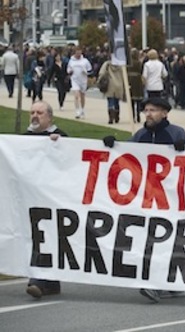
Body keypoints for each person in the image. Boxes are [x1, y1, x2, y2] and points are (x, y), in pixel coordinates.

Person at [103, 97, 185, 303]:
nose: (148, 114)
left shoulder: (176, 133)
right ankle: (162, 283)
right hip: (146, 197)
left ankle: (163, 283)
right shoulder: (141, 135)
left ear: (164, 113)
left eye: (153, 110)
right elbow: (125, 154)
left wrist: (184, 147)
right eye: (146, 110)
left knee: (166, 238)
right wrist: (111, 146)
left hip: (170, 197)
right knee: (152, 237)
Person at [24, 101, 67, 299]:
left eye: (39, 112)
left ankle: (39, 280)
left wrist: (60, 145)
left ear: (49, 117)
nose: (35, 115)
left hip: (52, 198)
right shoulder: (23, 139)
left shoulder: (61, 137)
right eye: (32, 112)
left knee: (44, 237)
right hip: (30, 198)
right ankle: (49, 282)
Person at [66, 47, 93, 119]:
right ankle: (77, 111)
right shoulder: (71, 61)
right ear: (75, 53)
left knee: (82, 95)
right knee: (76, 95)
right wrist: (70, 72)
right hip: (75, 80)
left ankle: (82, 109)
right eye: (77, 52)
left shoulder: (85, 61)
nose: (78, 54)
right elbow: (68, 69)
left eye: (80, 52)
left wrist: (86, 72)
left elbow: (90, 70)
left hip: (83, 80)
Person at [98, 58, 125, 124]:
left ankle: (110, 117)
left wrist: (99, 81)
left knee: (110, 101)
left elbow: (101, 73)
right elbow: (124, 75)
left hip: (110, 84)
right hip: (119, 84)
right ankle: (116, 116)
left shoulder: (107, 64)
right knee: (116, 101)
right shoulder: (121, 65)